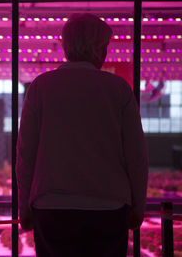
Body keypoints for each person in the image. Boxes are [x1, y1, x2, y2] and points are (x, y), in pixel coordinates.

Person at [16, 13, 148, 257]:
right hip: (109, 208)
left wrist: (23, 207)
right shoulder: (118, 89)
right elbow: (136, 155)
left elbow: (26, 153)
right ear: (97, 48)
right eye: (105, 46)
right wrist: (138, 206)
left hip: (51, 208)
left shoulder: (41, 87)